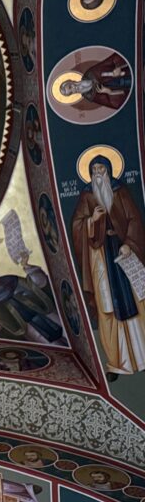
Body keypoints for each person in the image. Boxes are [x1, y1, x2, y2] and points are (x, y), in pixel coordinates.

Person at [71, 153, 145, 374]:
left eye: (100, 169)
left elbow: (134, 219)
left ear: (109, 170)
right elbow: (77, 225)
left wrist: (129, 243)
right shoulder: (87, 196)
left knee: (138, 300)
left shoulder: (120, 191)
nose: (97, 174)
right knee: (107, 307)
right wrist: (91, 220)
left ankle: (142, 357)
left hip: (124, 253)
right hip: (101, 258)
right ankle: (117, 363)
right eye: (94, 170)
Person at [0, 256, 65, 344]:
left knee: (65, 328)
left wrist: (27, 267)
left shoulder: (10, 280)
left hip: (42, 311)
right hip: (28, 326)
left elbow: (33, 286)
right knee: (52, 344)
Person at [58, 53, 131, 110]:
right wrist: (109, 92)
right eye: (71, 92)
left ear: (72, 81)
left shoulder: (91, 73)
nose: (74, 89)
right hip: (128, 88)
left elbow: (112, 60)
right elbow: (115, 104)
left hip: (128, 72)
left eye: (70, 87)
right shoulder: (91, 96)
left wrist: (118, 67)